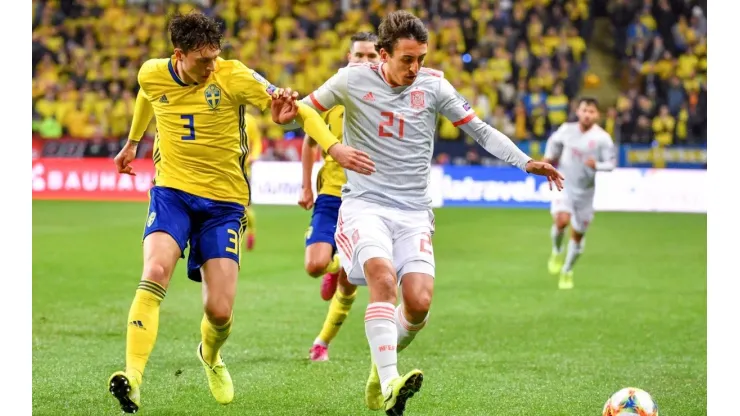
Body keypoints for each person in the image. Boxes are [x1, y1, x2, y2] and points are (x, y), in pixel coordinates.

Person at [283, 10, 563, 415]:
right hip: (365, 205)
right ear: (382, 54)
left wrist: (525, 162)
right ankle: (393, 382)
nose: (416, 68)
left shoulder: (434, 86)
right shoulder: (352, 79)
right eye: (407, 60)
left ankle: (380, 373)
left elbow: (479, 130)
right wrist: (334, 147)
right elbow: (305, 111)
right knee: (382, 278)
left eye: (421, 59)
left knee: (418, 303)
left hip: (414, 210)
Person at [107, 11, 374, 414]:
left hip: (224, 205)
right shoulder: (152, 72)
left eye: (216, 56)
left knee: (219, 311)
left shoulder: (233, 75)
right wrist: (132, 142)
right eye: (203, 60)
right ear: (179, 55)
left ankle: (210, 355)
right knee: (155, 271)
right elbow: (147, 93)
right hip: (172, 193)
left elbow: (296, 110)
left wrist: (328, 145)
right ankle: (133, 378)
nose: (212, 65)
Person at [298, 32, 381, 362]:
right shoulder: (332, 96)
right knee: (315, 265)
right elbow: (308, 141)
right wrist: (306, 186)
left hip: (369, 199)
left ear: (382, 58)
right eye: (358, 55)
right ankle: (334, 264)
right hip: (332, 195)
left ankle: (322, 342)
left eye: (371, 56)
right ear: (349, 58)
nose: (363, 61)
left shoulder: (389, 99)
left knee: (350, 283)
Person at [543, 97, 616, 289]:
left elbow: (611, 164)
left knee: (577, 236)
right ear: (578, 112)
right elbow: (553, 144)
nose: (587, 114)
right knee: (561, 221)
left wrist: (598, 165)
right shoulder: (567, 130)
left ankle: (567, 270)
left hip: (585, 193)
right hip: (564, 185)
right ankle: (557, 250)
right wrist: (548, 159)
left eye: (591, 111)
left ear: (597, 115)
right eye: (584, 110)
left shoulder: (602, 138)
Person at [243, 111, 262, 251]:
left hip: (244, 171)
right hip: (224, 171)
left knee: (245, 208)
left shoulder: (249, 120)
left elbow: (257, 142)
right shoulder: (222, 116)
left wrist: (253, 156)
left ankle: (251, 232)